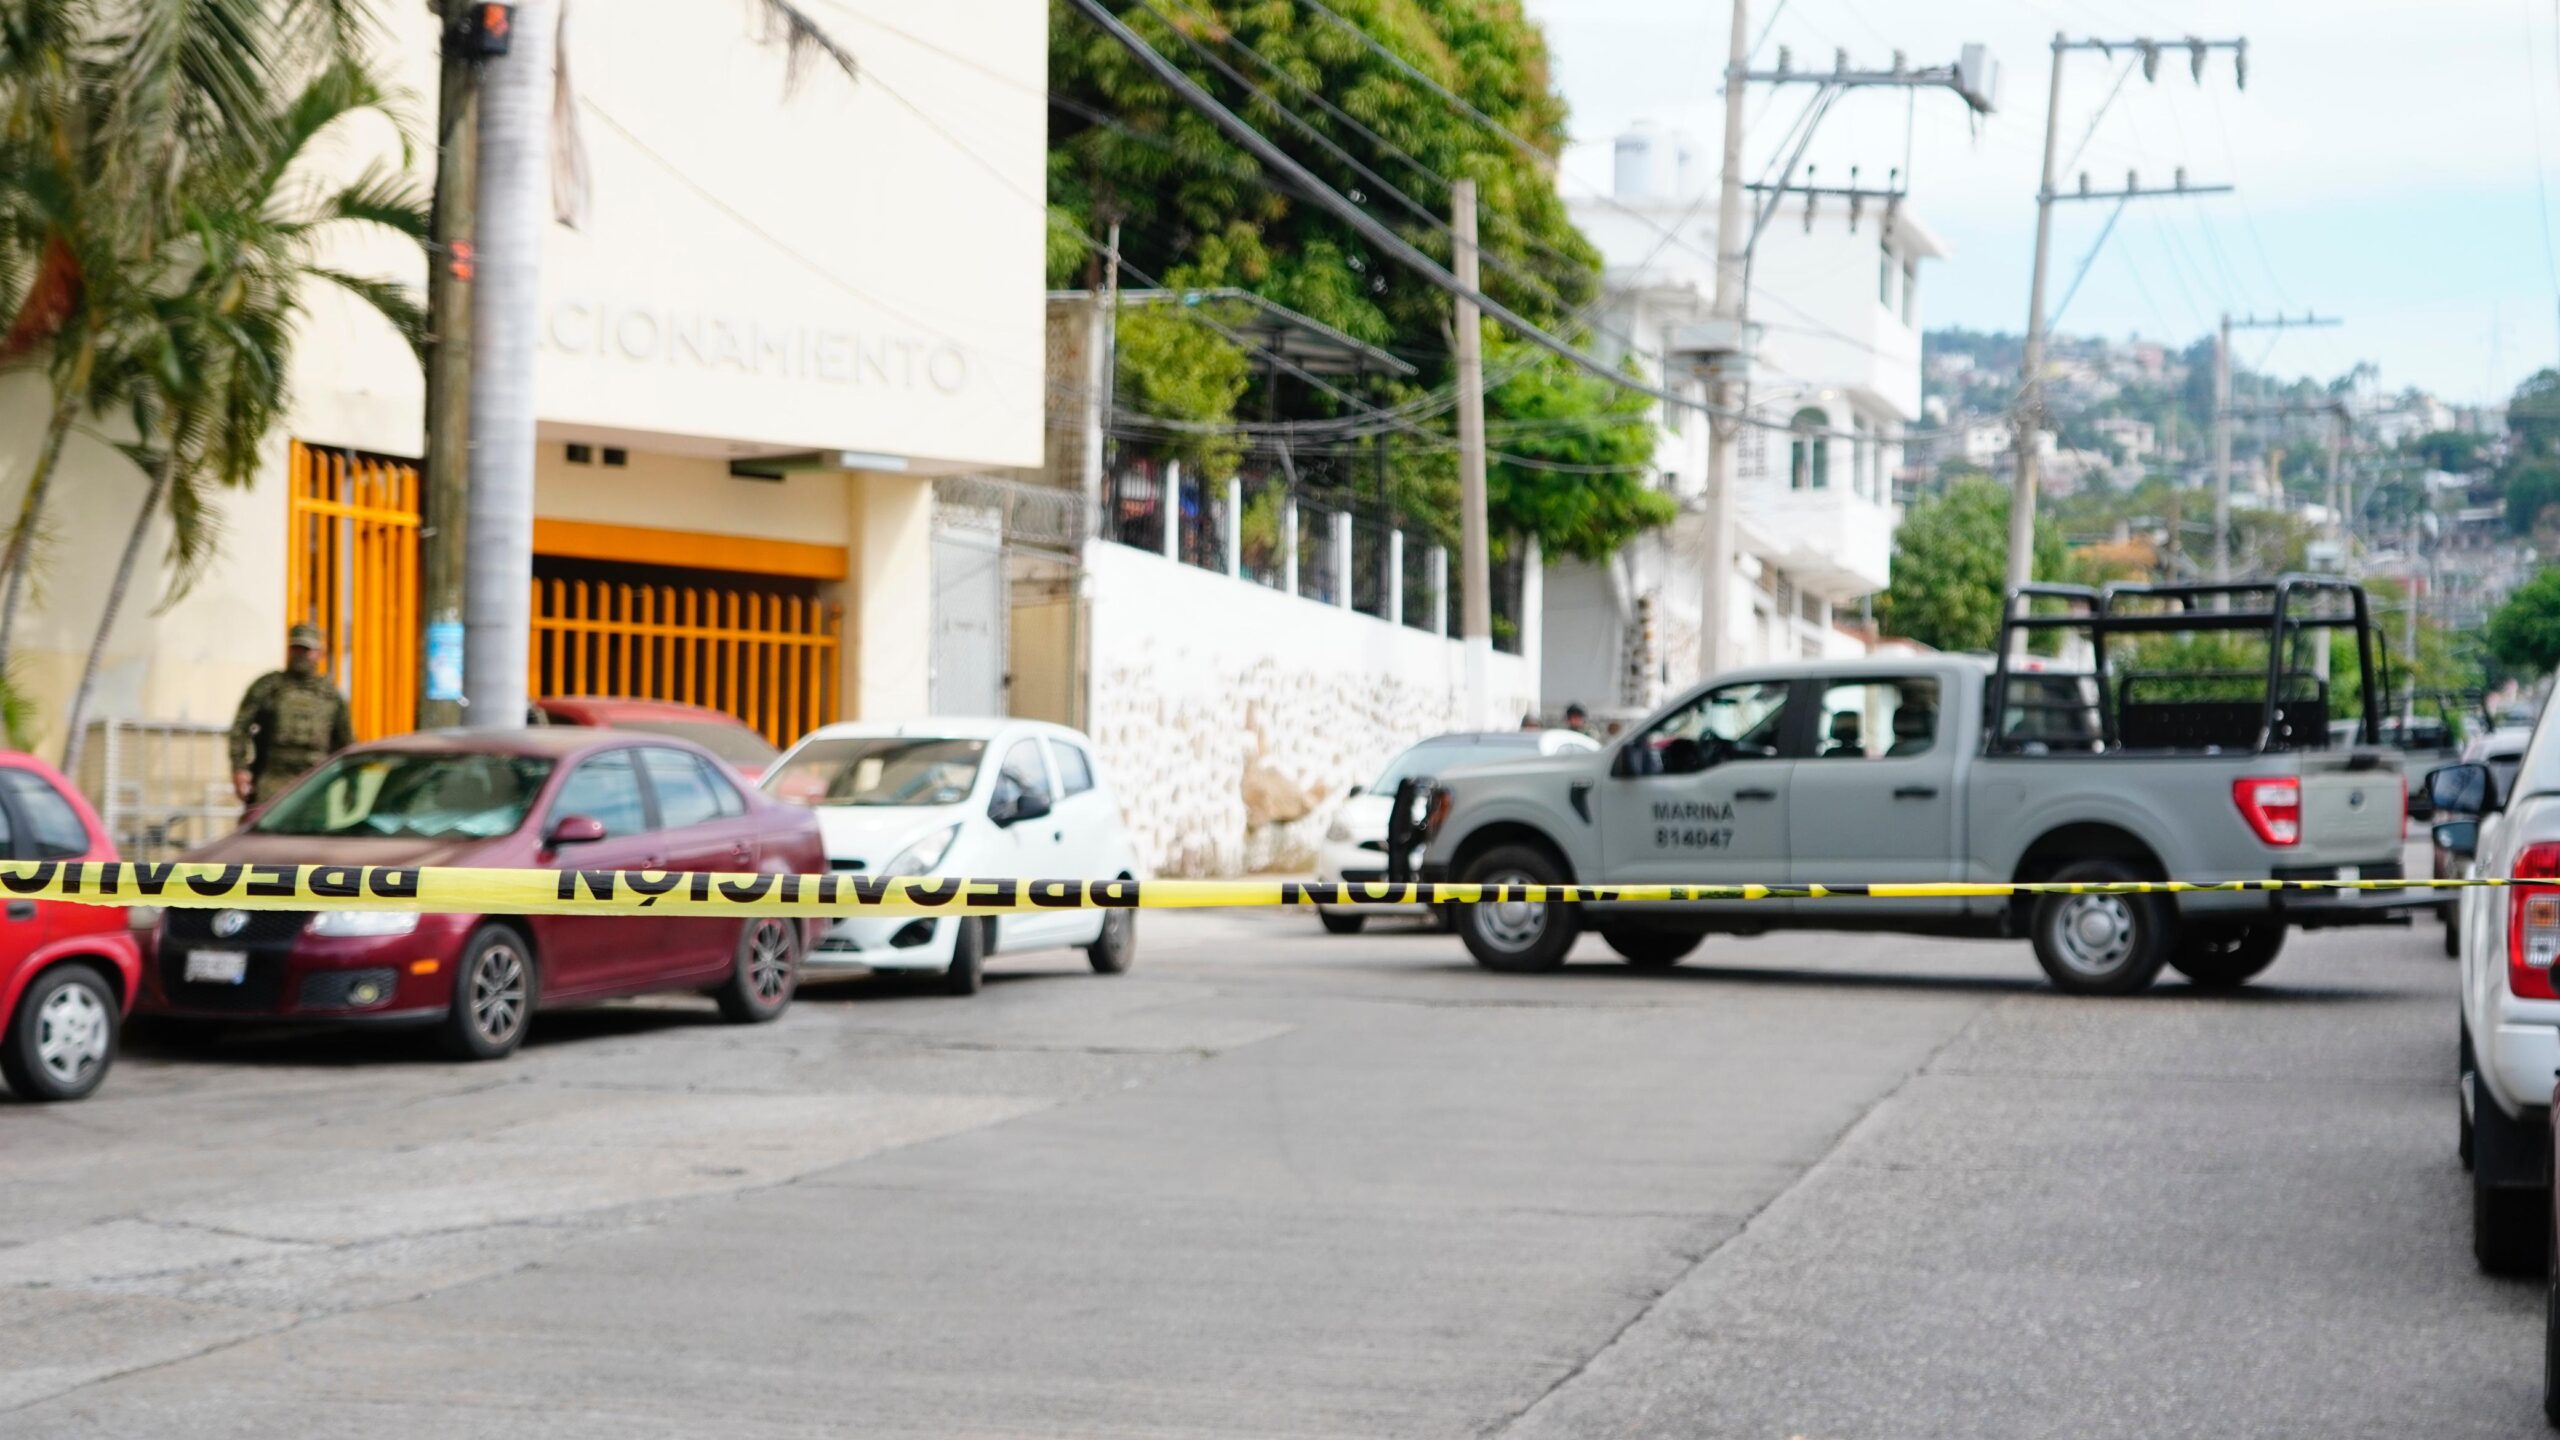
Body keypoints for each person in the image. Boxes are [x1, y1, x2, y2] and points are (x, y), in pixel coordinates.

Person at [229, 623, 354, 807]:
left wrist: (351, 784)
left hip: (315, 781)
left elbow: (346, 742)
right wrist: (239, 769)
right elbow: (240, 728)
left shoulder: (330, 695)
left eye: (306, 650)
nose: (300, 655)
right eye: (296, 648)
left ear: (319, 653)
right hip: (273, 777)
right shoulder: (268, 687)